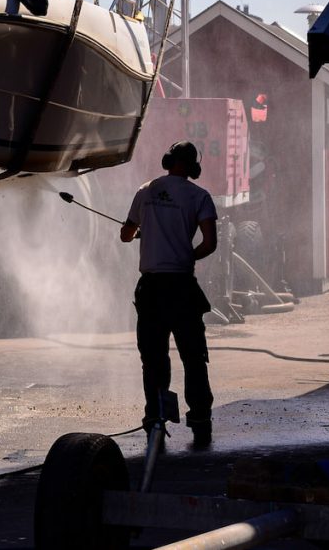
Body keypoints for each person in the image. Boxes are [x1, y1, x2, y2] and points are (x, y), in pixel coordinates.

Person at [120, 141, 218, 449]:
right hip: (182, 288)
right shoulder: (200, 196)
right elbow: (209, 243)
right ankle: (200, 420)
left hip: (151, 289)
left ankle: (157, 421)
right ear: (193, 167)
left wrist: (141, 232)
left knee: (153, 359)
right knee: (193, 358)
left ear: (167, 160)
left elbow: (125, 234)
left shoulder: (145, 190)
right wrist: (187, 256)